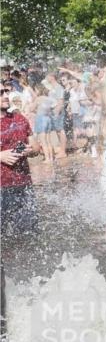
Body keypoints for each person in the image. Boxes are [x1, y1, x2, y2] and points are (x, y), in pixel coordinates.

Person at [1, 85, 41, 237]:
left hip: (23, 186)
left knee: (29, 234)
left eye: (6, 91)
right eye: (0, 93)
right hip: (1, 189)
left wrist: (30, 149)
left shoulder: (19, 118)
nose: (6, 95)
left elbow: (36, 148)